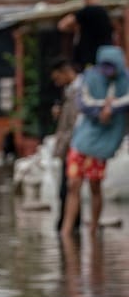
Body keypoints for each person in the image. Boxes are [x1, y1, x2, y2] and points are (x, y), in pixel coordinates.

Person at [60, 45, 129, 238]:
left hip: (102, 144)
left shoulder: (125, 80)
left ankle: (93, 229)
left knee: (95, 186)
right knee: (73, 183)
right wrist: (102, 110)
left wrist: (111, 109)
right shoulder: (90, 77)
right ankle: (66, 231)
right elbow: (83, 103)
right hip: (83, 140)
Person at [49, 59, 82, 232]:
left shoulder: (80, 91)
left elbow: (75, 124)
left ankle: (68, 227)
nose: (57, 82)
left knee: (68, 188)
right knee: (67, 188)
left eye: (57, 78)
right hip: (70, 146)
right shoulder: (69, 92)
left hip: (75, 146)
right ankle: (69, 227)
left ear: (65, 71)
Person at [58, 0, 113, 71]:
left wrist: (74, 29)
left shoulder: (85, 11)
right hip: (106, 54)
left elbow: (62, 25)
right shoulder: (105, 12)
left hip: (89, 56)